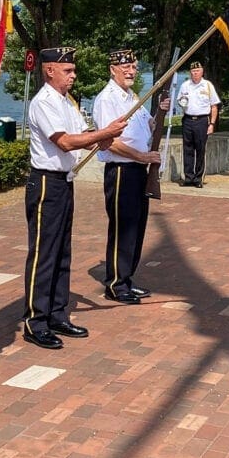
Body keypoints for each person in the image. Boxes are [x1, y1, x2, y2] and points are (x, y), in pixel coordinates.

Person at [23, 47, 127, 349]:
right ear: (49, 70)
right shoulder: (43, 102)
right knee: (44, 253)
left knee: (61, 253)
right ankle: (36, 320)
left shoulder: (66, 102)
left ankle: (57, 313)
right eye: (67, 70)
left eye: (73, 70)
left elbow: (84, 134)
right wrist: (101, 134)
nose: (73, 75)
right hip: (45, 183)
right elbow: (66, 142)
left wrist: (103, 136)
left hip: (64, 182)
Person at [92, 49, 169, 304]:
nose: (130, 71)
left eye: (133, 67)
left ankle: (126, 278)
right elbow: (107, 141)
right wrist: (141, 156)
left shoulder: (132, 97)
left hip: (137, 171)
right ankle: (115, 284)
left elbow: (149, 126)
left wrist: (160, 110)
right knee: (123, 228)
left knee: (137, 227)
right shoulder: (107, 99)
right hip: (122, 171)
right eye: (125, 67)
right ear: (112, 69)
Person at [175, 61, 221, 187]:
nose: (195, 73)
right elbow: (179, 100)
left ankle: (198, 179)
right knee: (187, 149)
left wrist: (212, 124)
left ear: (202, 71)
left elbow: (214, 106)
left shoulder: (207, 85)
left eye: (197, 71)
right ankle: (188, 178)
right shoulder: (185, 85)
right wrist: (181, 103)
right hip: (188, 119)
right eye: (193, 71)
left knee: (200, 149)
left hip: (202, 121)